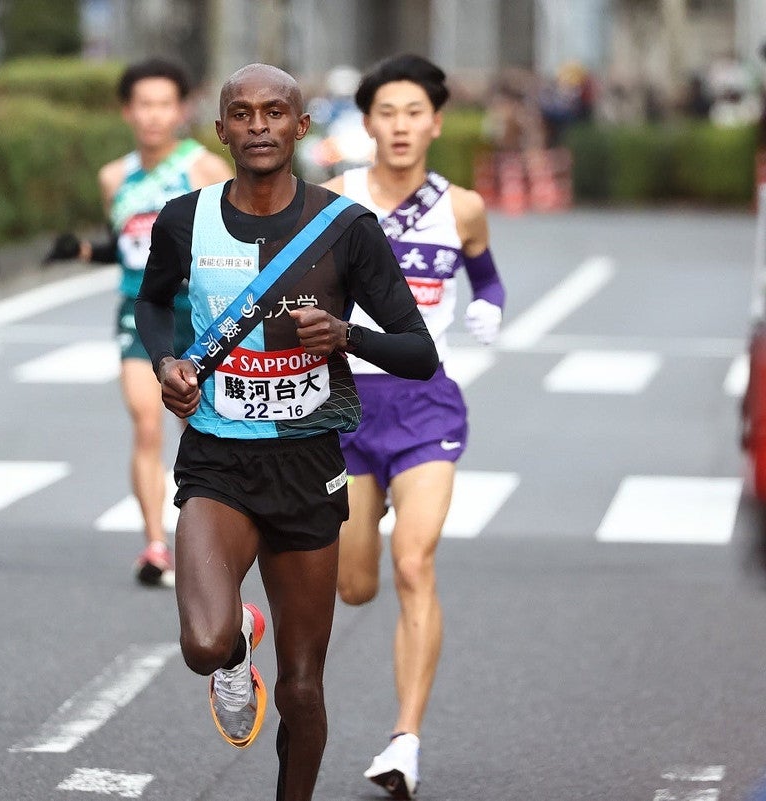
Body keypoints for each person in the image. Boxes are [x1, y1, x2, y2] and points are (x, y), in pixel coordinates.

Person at [134, 63, 438, 801]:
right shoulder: (185, 219)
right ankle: (238, 649)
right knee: (203, 642)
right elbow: (149, 305)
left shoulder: (345, 227)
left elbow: (419, 352)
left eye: (276, 112)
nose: (260, 125)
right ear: (222, 130)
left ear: (302, 127)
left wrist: (345, 335)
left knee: (303, 686)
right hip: (218, 457)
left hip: (307, 464)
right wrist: (166, 361)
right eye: (243, 113)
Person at [322, 53, 505, 800]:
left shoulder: (460, 206)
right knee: (357, 584)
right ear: (367, 123)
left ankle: (405, 741)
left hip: (425, 400)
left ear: (435, 121)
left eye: (413, 113)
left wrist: (488, 304)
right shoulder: (334, 200)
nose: (400, 126)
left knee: (414, 563)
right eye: (386, 113)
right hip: (346, 405)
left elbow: (484, 273)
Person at [45, 58, 232, 587]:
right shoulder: (114, 178)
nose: (154, 116)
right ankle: (155, 544)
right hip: (139, 311)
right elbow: (132, 250)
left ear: (181, 110)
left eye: (164, 105)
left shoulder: (204, 170)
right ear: (128, 111)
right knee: (146, 423)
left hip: (199, 315)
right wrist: (83, 250)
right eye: (143, 105)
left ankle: (209, 537)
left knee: (198, 427)